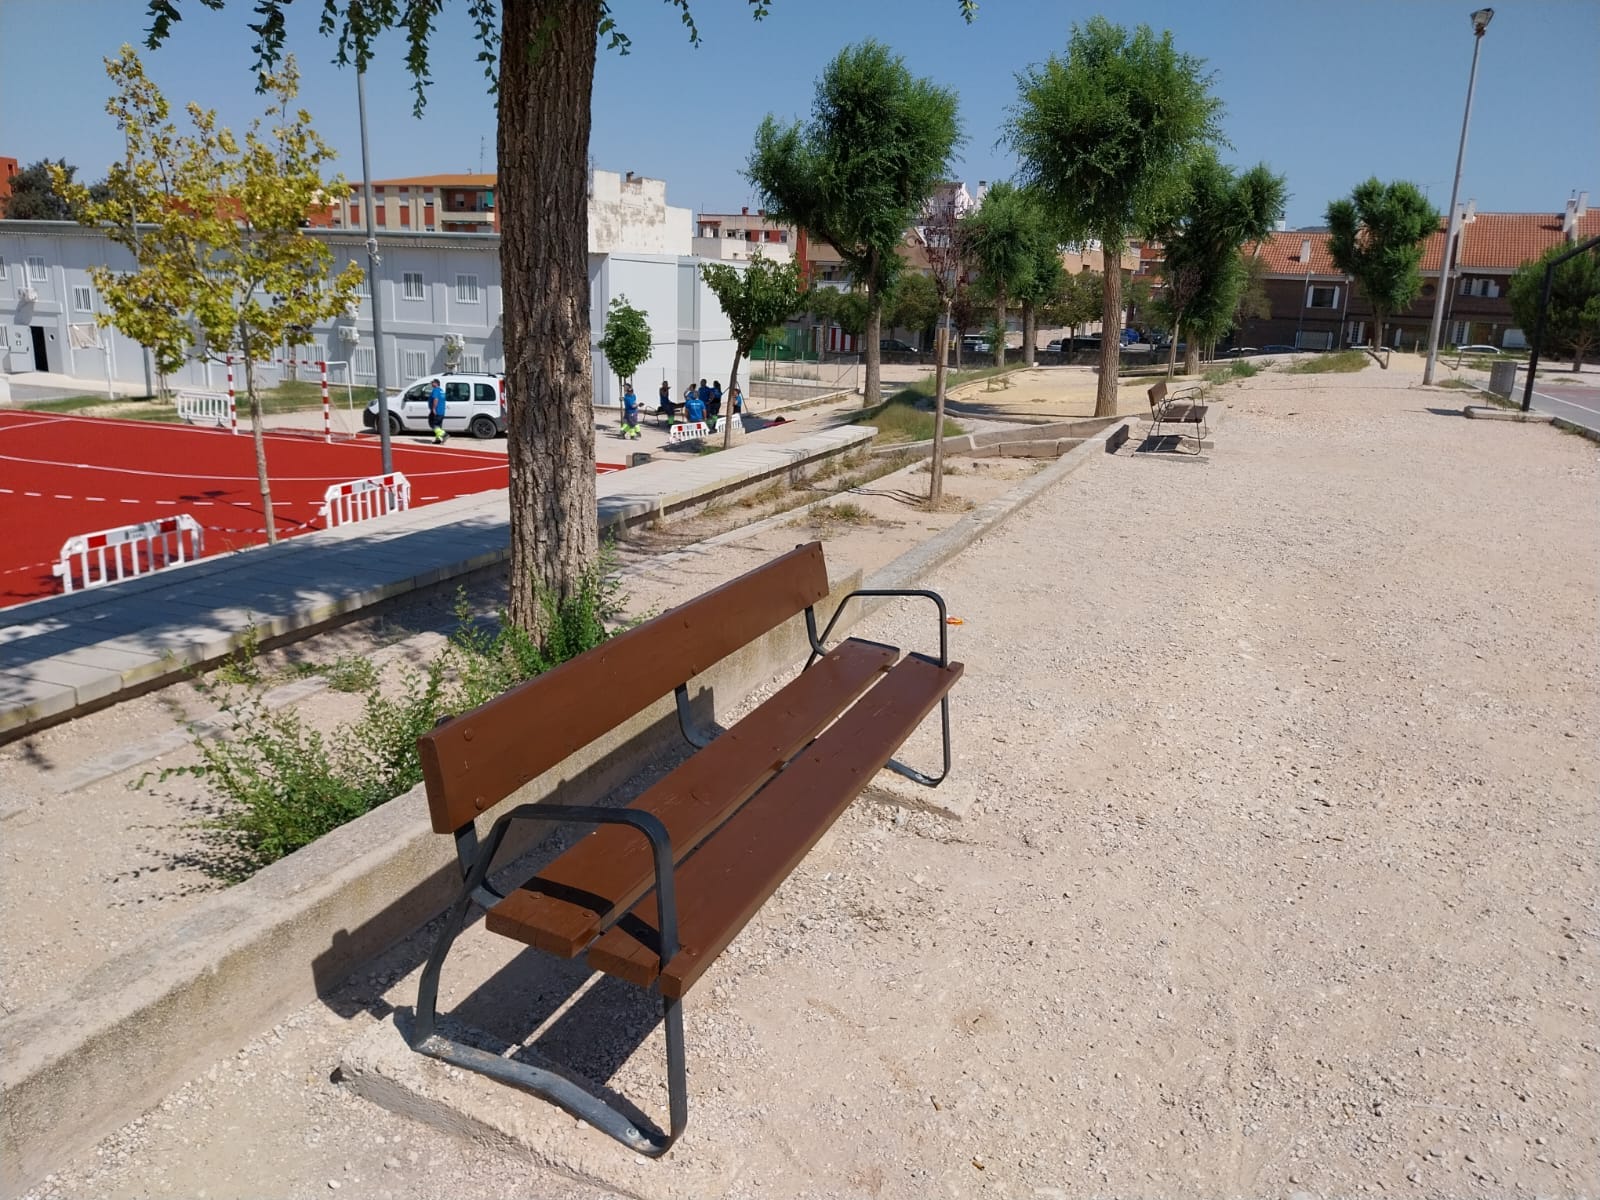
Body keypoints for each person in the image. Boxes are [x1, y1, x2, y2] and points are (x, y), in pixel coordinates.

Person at [428, 378, 447, 443]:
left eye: (432, 382)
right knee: (438, 426)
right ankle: (438, 440)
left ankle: (444, 434)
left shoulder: (435, 390)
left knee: (432, 424)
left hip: (436, 411)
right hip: (441, 411)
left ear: (436, 383)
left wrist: (433, 409)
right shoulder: (441, 391)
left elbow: (435, 399)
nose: (431, 384)